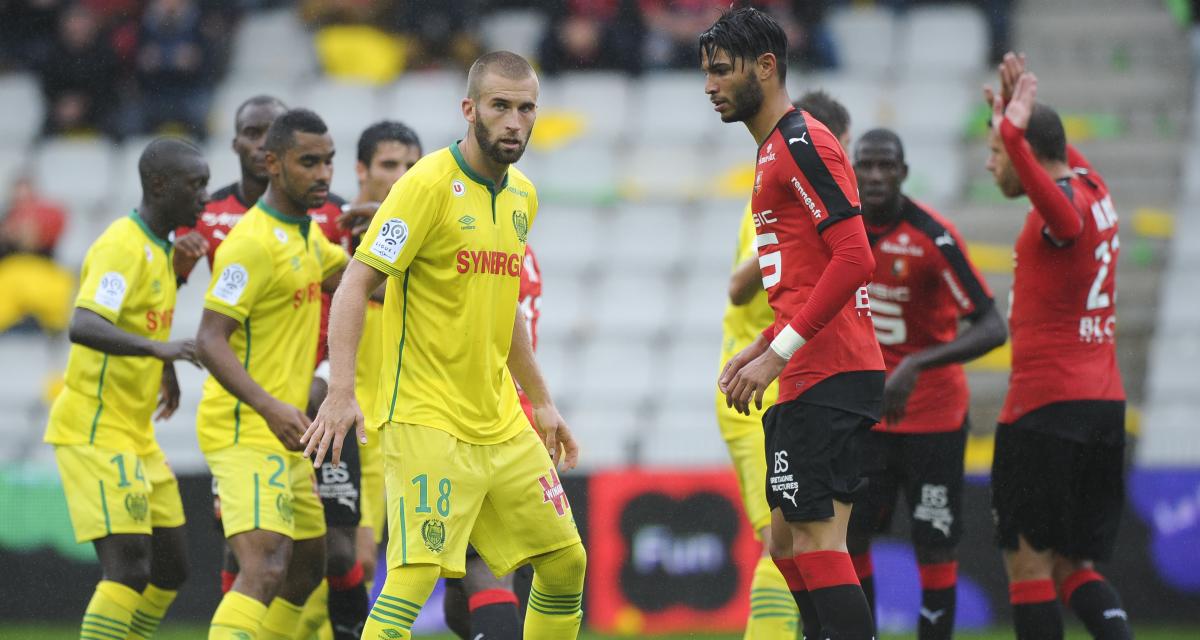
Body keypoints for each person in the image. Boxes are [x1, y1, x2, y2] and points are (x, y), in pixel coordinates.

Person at [302, 50, 586, 640]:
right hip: (428, 421)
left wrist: (542, 401)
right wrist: (342, 390)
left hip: (502, 420)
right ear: (470, 109)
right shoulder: (425, 185)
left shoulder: (521, 197)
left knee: (566, 563)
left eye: (526, 108)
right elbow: (356, 282)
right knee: (414, 577)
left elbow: (503, 308)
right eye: (500, 106)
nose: (514, 121)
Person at [702, 8, 884, 640]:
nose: (710, 86)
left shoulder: (801, 141)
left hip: (827, 372)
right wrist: (759, 347)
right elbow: (801, 281)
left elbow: (856, 256)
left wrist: (777, 353)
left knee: (814, 540)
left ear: (766, 66)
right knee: (785, 544)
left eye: (722, 71)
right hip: (816, 368)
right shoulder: (773, 150)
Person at [985, 53, 1132, 640]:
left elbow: (1061, 219)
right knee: (1076, 565)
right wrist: (1013, 113)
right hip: (1103, 407)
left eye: (995, 153)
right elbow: (1057, 154)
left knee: (1028, 563)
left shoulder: (1063, 211)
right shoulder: (1096, 188)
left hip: (1045, 409)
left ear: (1027, 157)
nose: (992, 162)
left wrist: (1014, 134)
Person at [43, 138, 209, 639]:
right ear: (160, 186)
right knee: (130, 570)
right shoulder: (121, 244)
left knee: (172, 569)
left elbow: (142, 319)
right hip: (94, 430)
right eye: (195, 185)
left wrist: (164, 367)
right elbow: (84, 324)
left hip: (135, 434)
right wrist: (160, 352)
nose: (203, 197)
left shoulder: (161, 248)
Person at [847, 128, 1007, 640]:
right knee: (852, 539)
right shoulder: (840, 235)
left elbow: (991, 325)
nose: (874, 176)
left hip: (933, 418)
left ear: (903, 172)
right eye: (865, 166)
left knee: (934, 544)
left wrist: (916, 366)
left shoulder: (932, 237)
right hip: (867, 418)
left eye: (885, 166)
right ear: (852, 172)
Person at [195, 108, 350, 640]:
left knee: (308, 564)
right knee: (263, 566)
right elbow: (208, 338)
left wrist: (397, 228)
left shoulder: (305, 236)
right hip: (246, 429)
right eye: (309, 162)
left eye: (328, 161)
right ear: (273, 164)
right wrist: (269, 405)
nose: (324, 174)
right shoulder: (251, 243)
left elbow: (361, 281)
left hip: (286, 435)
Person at [717, 88, 851, 640]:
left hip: (803, 376)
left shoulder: (816, 189)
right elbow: (740, 289)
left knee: (810, 542)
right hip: (758, 382)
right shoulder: (784, 191)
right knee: (785, 542)